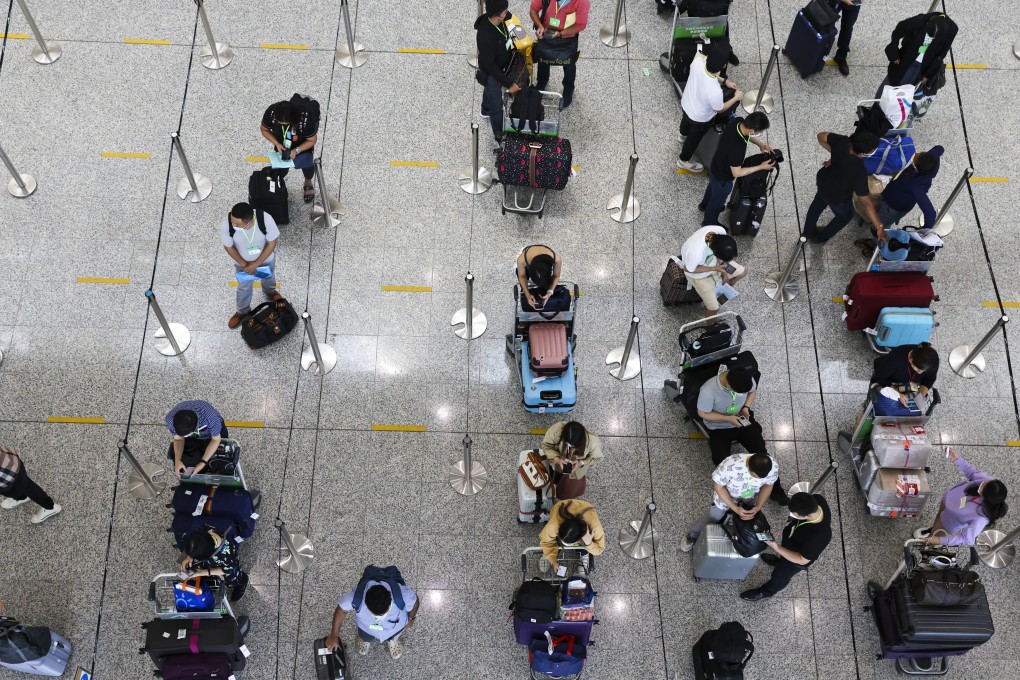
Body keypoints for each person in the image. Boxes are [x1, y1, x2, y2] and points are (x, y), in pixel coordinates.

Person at [680, 452, 780, 552]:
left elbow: (768, 485)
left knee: (741, 522)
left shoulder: (773, 467)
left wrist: (758, 506)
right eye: (754, 476)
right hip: (725, 499)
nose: (757, 479)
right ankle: (691, 536)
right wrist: (735, 508)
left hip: (748, 499)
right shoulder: (730, 465)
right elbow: (718, 486)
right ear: (747, 465)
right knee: (713, 516)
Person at [740, 492, 832, 601]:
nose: (792, 515)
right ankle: (779, 561)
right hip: (792, 541)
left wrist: (776, 547)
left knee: (779, 577)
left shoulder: (820, 536)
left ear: (808, 516)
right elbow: (794, 516)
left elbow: (802, 559)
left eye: (795, 514)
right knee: (782, 559)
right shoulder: (817, 499)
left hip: (795, 559)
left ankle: (765, 592)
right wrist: (790, 521)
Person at [854, 147, 943, 253]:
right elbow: (939, 148)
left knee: (877, 226)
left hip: (893, 208)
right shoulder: (931, 159)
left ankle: (875, 246)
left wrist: (923, 232)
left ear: (917, 169)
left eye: (918, 156)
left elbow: (930, 214)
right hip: (893, 195)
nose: (917, 153)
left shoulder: (917, 187)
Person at [802, 131, 885, 245]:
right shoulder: (859, 170)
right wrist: (879, 227)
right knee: (845, 217)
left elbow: (820, 136)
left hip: (823, 182)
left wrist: (835, 156)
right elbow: (866, 202)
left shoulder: (842, 142)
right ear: (865, 152)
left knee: (816, 206)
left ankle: (807, 232)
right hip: (838, 197)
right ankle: (821, 238)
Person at [914, 447, 1008, 546]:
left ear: (986, 496)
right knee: (938, 518)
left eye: (983, 486)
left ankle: (930, 540)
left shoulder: (981, 518)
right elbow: (972, 473)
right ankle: (933, 529)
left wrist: (938, 540)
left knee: (936, 533)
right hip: (947, 502)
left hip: (949, 521)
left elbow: (967, 539)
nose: (982, 482)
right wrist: (957, 459)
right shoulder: (989, 482)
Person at [676, 43, 744, 173]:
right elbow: (720, 109)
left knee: (685, 122)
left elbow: (708, 71)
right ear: (724, 66)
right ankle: (683, 161)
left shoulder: (697, 62)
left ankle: (682, 136)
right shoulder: (715, 91)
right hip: (699, 119)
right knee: (693, 141)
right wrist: (736, 98)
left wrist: (725, 81)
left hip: (686, 104)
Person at [325, 568, 420, 660]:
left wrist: (411, 618)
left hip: (394, 628)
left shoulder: (403, 594)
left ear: (390, 599)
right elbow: (341, 610)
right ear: (366, 601)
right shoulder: (356, 597)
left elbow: (415, 601)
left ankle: (392, 640)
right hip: (366, 628)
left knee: (394, 635)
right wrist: (334, 635)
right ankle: (365, 640)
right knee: (365, 635)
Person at [699, 112, 774, 227]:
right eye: (759, 132)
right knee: (718, 200)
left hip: (716, 165)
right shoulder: (737, 149)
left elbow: (747, 135)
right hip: (723, 177)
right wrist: (761, 167)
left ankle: (704, 205)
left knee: (712, 187)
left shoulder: (738, 121)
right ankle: (709, 221)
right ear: (752, 130)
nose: (760, 134)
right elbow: (737, 172)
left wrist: (760, 144)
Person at [221, 202, 283, 329]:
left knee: (268, 277)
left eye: (237, 224)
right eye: (232, 221)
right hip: (243, 264)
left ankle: (270, 292)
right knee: (243, 287)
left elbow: (272, 243)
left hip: (265, 259)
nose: (233, 225)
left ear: (250, 222)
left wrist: (255, 264)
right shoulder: (226, 225)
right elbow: (229, 247)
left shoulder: (265, 220)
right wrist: (244, 264)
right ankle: (242, 311)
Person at [697, 368, 767, 467]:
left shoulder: (745, 377)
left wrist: (746, 407)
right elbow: (703, 413)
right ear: (729, 387)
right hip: (719, 427)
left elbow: (752, 392)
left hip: (741, 417)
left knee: (761, 452)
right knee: (721, 461)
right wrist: (728, 418)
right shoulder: (707, 391)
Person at [476, 0, 522, 143]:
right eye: (504, 11)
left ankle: (484, 109)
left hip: (502, 64)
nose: (507, 13)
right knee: (497, 108)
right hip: (492, 72)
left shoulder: (502, 18)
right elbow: (490, 67)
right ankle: (500, 135)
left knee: (489, 93)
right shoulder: (485, 35)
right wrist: (509, 84)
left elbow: (512, 20)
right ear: (497, 15)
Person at [879, 12, 958, 95]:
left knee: (905, 92)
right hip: (906, 59)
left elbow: (941, 55)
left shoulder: (952, 29)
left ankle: (896, 103)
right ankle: (879, 102)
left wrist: (928, 74)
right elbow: (900, 28)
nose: (931, 39)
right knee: (891, 83)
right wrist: (893, 50)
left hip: (923, 67)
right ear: (928, 24)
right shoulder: (921, 20)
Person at [530, 0, 590, 109]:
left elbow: (580, 25)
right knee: (543, 58)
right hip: (546, 35)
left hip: (567, 39)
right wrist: (539, 26)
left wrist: (561, 34)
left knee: (569, 64)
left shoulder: (582, 2)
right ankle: (542, 81)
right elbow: (533, 9)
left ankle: (568, 88)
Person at [260, 96, 320, 203]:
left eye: (286, 123)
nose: (283, 124)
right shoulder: (271, 112)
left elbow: (312, 140)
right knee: (281, 167)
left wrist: (297, 150)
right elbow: (264, 129)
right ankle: (279, 183)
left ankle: (308, 181)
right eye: (280, 123)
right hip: (282, 142)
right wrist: (277, 143)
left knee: (307, 164)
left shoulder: (305, 119)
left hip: (302, 142)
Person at [680, 227, 747, 318]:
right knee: (714, 309)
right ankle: (711, 324)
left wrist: (724, 274)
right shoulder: (696, 253)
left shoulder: (720, 231)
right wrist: (714, 268)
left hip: (716, 264)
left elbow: (720, 257)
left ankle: (724, 287)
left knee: (743, 272)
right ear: (715, 252)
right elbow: (687, 269)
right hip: (698, 275)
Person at [181, 528, 249, 602]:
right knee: (204, 572)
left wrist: (204, 572)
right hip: (212, 561)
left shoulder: (227, 555)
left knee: (232, 580)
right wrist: (190, 556)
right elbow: (195, 542)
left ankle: (242, 581)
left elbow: (225, 570)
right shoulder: (205, 533)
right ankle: (211, 581)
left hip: (228, 566)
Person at [540, 421, 603, 499]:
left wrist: (581, 462)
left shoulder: (593, 442)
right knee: (556, 478)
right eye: (567, 443)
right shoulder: (556, 430)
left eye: (573, 446)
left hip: (577, 469)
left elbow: (597, 458)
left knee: (568, 491)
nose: (570, 447)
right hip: (558, 464)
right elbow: (546, 446)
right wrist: (557, 459)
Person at [166, 400, 229, 479]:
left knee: (220, 458)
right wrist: (177, 460)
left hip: (215, 434)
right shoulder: (170, 419)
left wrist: (202, 463)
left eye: (186, 435)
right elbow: (178, 439)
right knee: (191, 459)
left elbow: (216, 440)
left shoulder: (211, 417)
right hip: (193, 434)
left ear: (196, 427)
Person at [539, 499, 605, 574]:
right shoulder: (554, 524)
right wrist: (553, 560)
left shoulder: (594, 527)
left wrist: (589, 543)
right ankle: (548, 554)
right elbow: (546, 541)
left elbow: (600, 549)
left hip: (587, 514)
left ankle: (584, 553)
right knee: (551, 540)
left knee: (588, 543)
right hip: (560, 506)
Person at [0, 446, 61, 524]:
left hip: (7, 475)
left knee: (27, 488)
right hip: (10, 460)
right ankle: (23, 497)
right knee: (25, 486)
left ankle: (50, 507)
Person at [870, 342, 939, 398]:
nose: (920, 373)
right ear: (910, 359)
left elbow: (930, 378)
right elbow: (880, 377)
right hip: (889, 381)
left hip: (909, 384)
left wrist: (922, 395)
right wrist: (898, 395)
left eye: (923, 371)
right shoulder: (896, 358)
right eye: (918, 369)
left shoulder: (931, 362)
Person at [516, 244, 563, 309]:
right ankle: (525, 293)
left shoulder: (557, 259)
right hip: (528, 259)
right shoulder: (521, 259)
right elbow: (522, 276)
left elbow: (556, 276)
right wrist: (527, 294)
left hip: (544, 261)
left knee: (546, 284)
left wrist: (550, 292)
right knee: (522, 279)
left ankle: (543, 293)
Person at [829, 0, 862, 77]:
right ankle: (817, 52)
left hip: (854, 3)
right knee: (826, 22)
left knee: (847, 28)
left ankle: (841, 57)